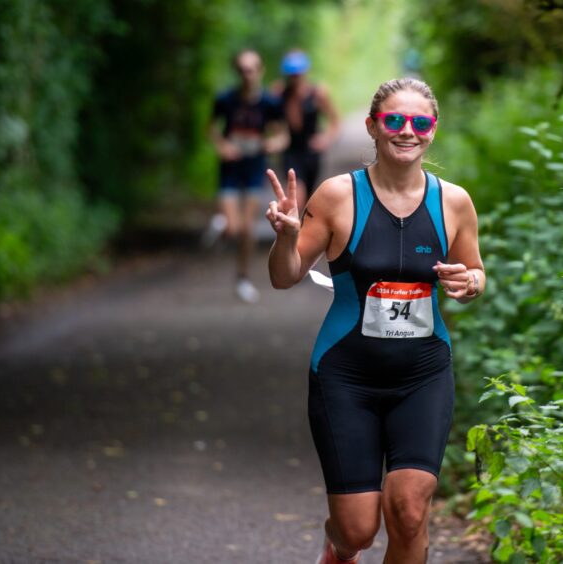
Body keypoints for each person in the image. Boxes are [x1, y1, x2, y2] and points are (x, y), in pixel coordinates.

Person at [265, 78, 486, 564]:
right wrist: (287, 237)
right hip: (346, 377)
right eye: (394, 120)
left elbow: (475, 274)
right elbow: (285, 277)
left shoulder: (454, 202)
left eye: (420, 122)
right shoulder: (337, 196)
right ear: (372, 126)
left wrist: (469, 283)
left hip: (423, 373)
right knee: (358, 531)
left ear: (432, 131)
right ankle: (338, 546)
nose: (408, 131)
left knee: (408, 511)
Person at [207, 49, 288, 303]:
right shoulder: (225, 99)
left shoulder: (270, 104)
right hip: (230, 169)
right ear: (237, 72)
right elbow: (211, 129)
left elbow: (282, 135)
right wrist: (223, 147)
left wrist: (273, 144)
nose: (247, 75)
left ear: (260, 71)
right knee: (234, 228)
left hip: (254, 169)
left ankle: (243, 278)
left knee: (247, 229)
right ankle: (223, 227)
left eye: (251, 69)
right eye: (242, 70)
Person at [270, 49, 340, 209]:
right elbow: (272, 121)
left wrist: (326, 139)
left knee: (309, 199)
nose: (295, 78)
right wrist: (277, 136)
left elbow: (335, 120)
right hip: (290, 151)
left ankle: (303, 232)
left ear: (305, 72)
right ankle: (293, 231)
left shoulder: (317, 93)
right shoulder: (280, 94)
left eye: (298, 74)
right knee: (296, 196)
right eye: (291, 74)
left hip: (311, 152)